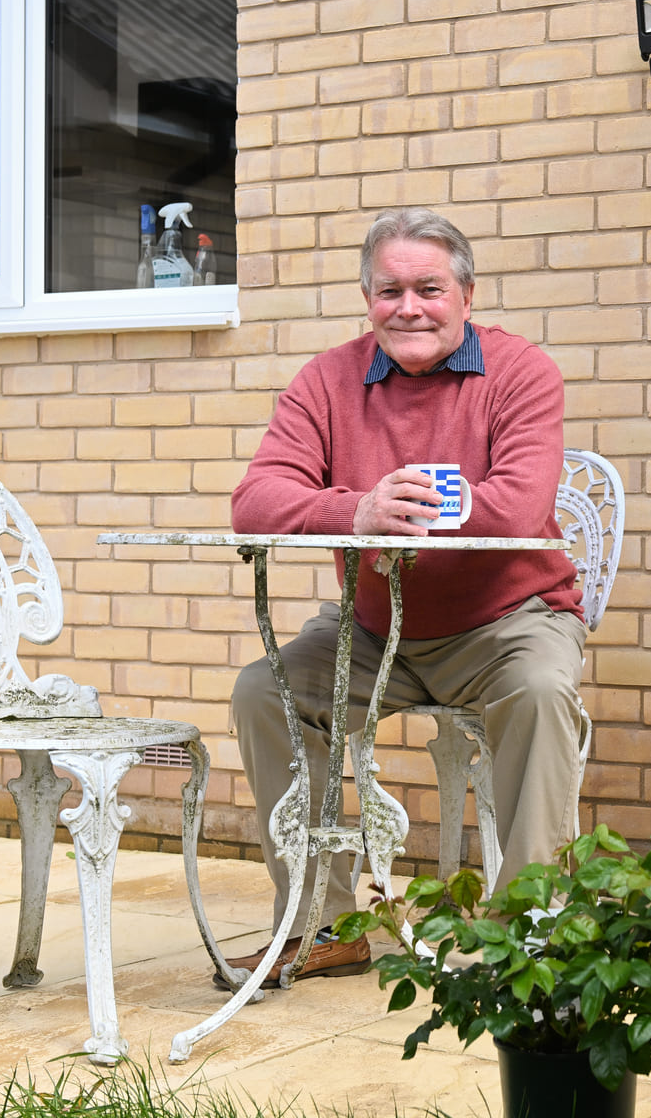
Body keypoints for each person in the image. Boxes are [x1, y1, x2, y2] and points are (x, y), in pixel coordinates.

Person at [219, 207, 587, 987]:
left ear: (465, 294)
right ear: (367, 298)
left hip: (506, 623)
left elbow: (519, 506)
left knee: (542, 692)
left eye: (428, 287)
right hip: (372, 626)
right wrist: (352, 511)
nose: (409, 306)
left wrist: (401, 514)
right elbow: (255, 501)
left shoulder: (521, 372)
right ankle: (321, 924)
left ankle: (530, 930)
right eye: (390, 290)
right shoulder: (327, 378)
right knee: (263, 691)